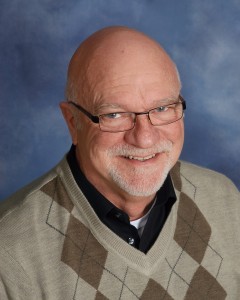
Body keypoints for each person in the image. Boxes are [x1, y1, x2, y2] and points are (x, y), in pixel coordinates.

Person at [0, 26, 239, 300]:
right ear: (72, 123)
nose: (144, 138)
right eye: (114, 114)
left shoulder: (224, 200)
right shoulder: (9, 252)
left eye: (161, 109)